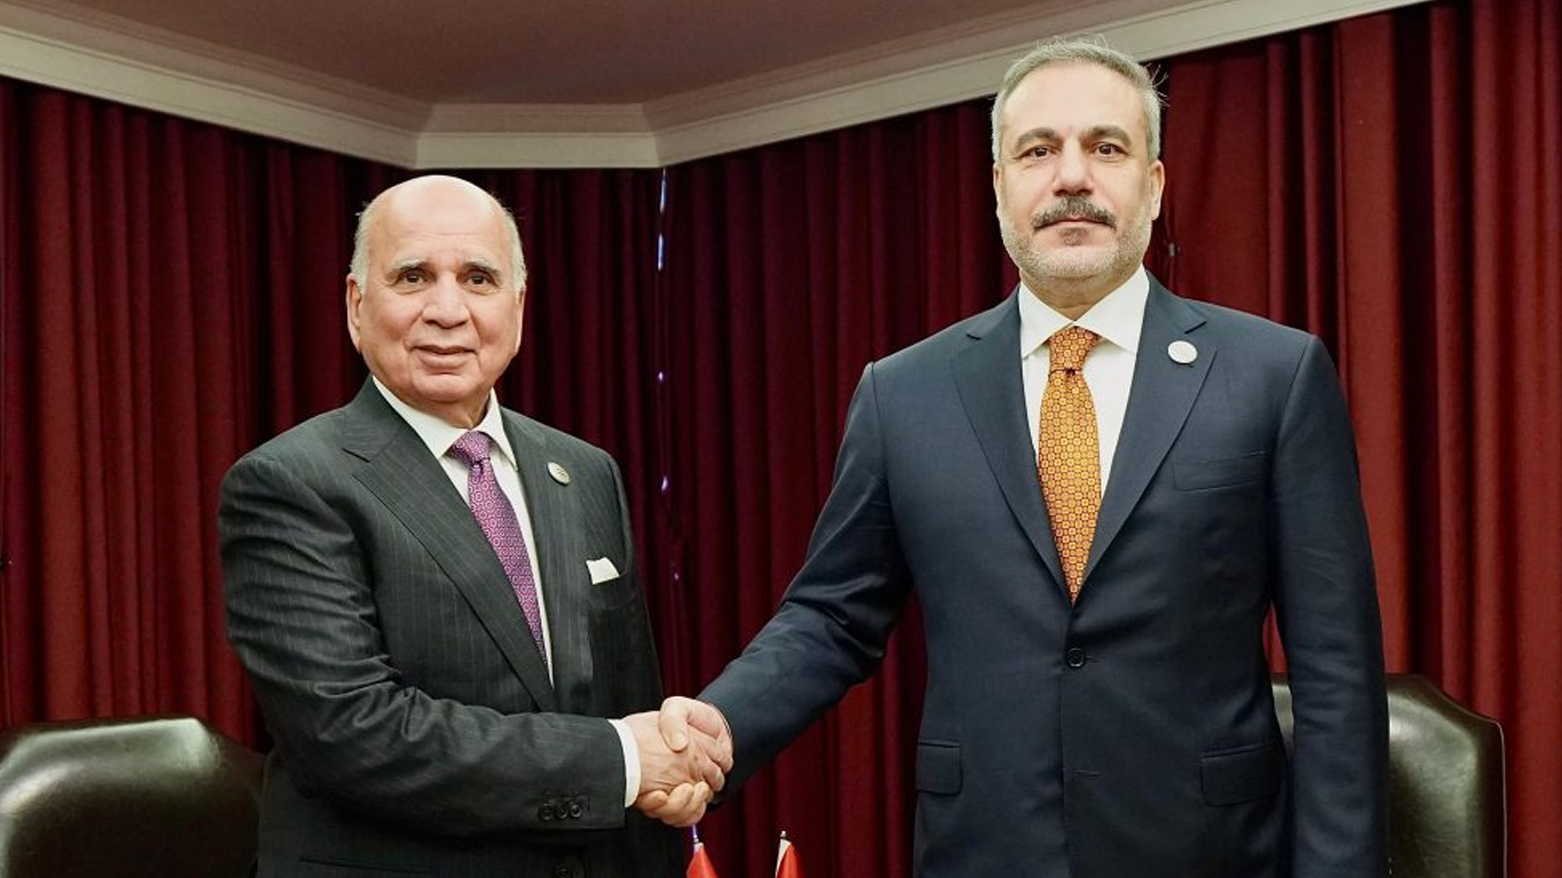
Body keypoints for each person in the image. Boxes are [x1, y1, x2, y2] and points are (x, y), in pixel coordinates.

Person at [663, 37, 1388, 878]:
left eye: (1106, 148)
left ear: (1153, 186)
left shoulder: (1273, 374)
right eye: (1038, 150)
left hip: (1212, 852)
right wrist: (722, 726)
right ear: (1000, 186)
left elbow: (1335, 665)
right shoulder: (904, 393)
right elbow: (831, 617)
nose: (1072, 176)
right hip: (985, 848)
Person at [220, 175, 724, 878]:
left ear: (517, 309)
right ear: (356, 306)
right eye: (413, 276)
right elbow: (353, 734)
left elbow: (623, 704)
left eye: (478, 278)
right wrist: (625, 762)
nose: (447, 310)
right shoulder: (291, 483)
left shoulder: (584, 471)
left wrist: (661, 771)